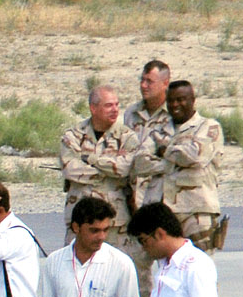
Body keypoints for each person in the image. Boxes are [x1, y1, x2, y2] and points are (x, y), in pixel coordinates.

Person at [131, 79, 225, 253]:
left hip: (195, 211)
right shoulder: (157, 130)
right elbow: (140, 163)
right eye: (171, 100)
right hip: (162, 213)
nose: (175, 105)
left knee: (200, 264)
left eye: (181, 99)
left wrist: (164, 150)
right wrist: (172, 163)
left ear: (192, 100)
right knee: (165, 265)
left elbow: (196, 156)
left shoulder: (209, 127)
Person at [59, 85, 136, 233]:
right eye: (108, 105)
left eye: (117, 104)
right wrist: (110, 169)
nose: (115, 109)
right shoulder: (73, 135)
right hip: (81, 219)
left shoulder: (127, 136)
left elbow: (124, 168)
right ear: (93, 108)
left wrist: (90, 159)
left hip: (115, 222)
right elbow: (70, 170)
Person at [125, 58, 172, 134]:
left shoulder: (174, 113)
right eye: (142, 80)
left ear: (165, 84)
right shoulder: (131, 113)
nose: (143, 85)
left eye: (149, 81)